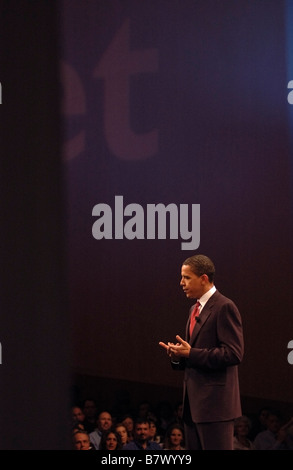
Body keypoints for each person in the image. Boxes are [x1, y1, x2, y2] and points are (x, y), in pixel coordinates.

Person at [159, 254, 244, 450]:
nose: (181, 283)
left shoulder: (224, 307)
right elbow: (193, 354)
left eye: (186, 277)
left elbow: (234, 353)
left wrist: (191, 353)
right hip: (193, 407)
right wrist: (178, 356)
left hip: (215, 407)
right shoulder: (193, 309)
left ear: (204, 278)